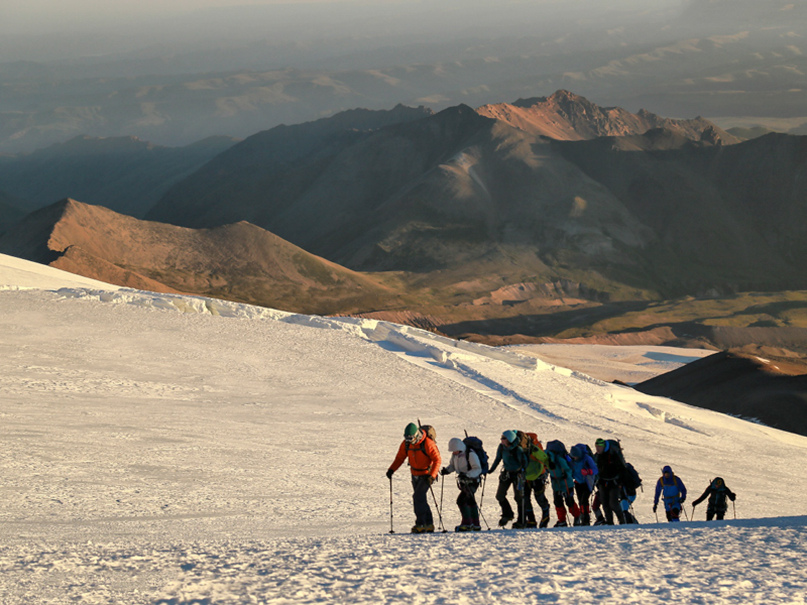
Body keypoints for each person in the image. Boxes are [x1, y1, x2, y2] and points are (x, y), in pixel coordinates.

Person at [387, 422, 441, 533]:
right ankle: (429, 524)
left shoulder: (428, 443)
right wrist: (391, 469)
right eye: (406, 438)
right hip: (415, 474)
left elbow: (437, 460)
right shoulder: (406, 444)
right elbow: (400, 458)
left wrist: (432, 476)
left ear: (416, 435)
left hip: (427, 475)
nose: (408, 440)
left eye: (410, 438)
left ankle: (420, 523)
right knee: (421, 499)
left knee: (418, 497)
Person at [440, 438, 483, 531]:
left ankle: (467, 524)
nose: (453, 452)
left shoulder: (470, 454)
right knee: (470, 501)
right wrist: (447, 470)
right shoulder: (455, 455)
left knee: (461, 500)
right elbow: (452, 466)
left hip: (473, 481)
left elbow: (478, 469)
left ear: (459, 448)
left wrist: (467, 475)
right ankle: (475, 524)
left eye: (454, 450)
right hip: (464, 482)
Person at [488, 430, 528, 528]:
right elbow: (498, 459)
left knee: (519, 498)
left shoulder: (518, 449)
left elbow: (524, 463)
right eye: (502, 437)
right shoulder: (501, 447)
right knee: (499, 496)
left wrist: (522, 474)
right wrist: (490, 470)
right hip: (507, 474)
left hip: (517, 475)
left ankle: (522, 521)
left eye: (503, 438)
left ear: (509, 439)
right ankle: (508, 514)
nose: (501, 440)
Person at [545, 441, 581, 527]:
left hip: (564, 483)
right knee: (563, 501)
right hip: (560, 483)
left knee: (564, 501)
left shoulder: (556, 459)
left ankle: (564, 520)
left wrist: (566, 475)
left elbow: (567, 469)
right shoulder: (557, 458)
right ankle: (575, 517)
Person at [593, 438, 627, 525]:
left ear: (603, 446)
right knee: (605, 504)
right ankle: (610, 522)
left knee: (613, 503)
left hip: (614, 482)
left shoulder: (612, 454)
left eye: (599, 447)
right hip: (602, 482)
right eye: (596, 446)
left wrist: (620, 482)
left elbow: (621, 468)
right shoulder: (597, 456)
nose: (597, 448)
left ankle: (622, 520)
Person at [523, 437, 551, 528]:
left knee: (534, 498)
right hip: (530, 477)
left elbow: (544, 458)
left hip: (536, 476)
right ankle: (539, 518)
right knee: (528, 498)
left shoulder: (533, 448)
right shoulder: (525, 447)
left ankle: (534, 520)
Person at [569, 443, 598, 526]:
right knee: (580, 501)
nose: (575, 458)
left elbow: (595, 470)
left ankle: (586, 519)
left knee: (584, 501)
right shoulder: (572, 459)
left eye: (576, 457)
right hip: (578, 483)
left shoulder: (587, 458)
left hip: (587, 483)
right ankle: (584, 519)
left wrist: (588, 472)